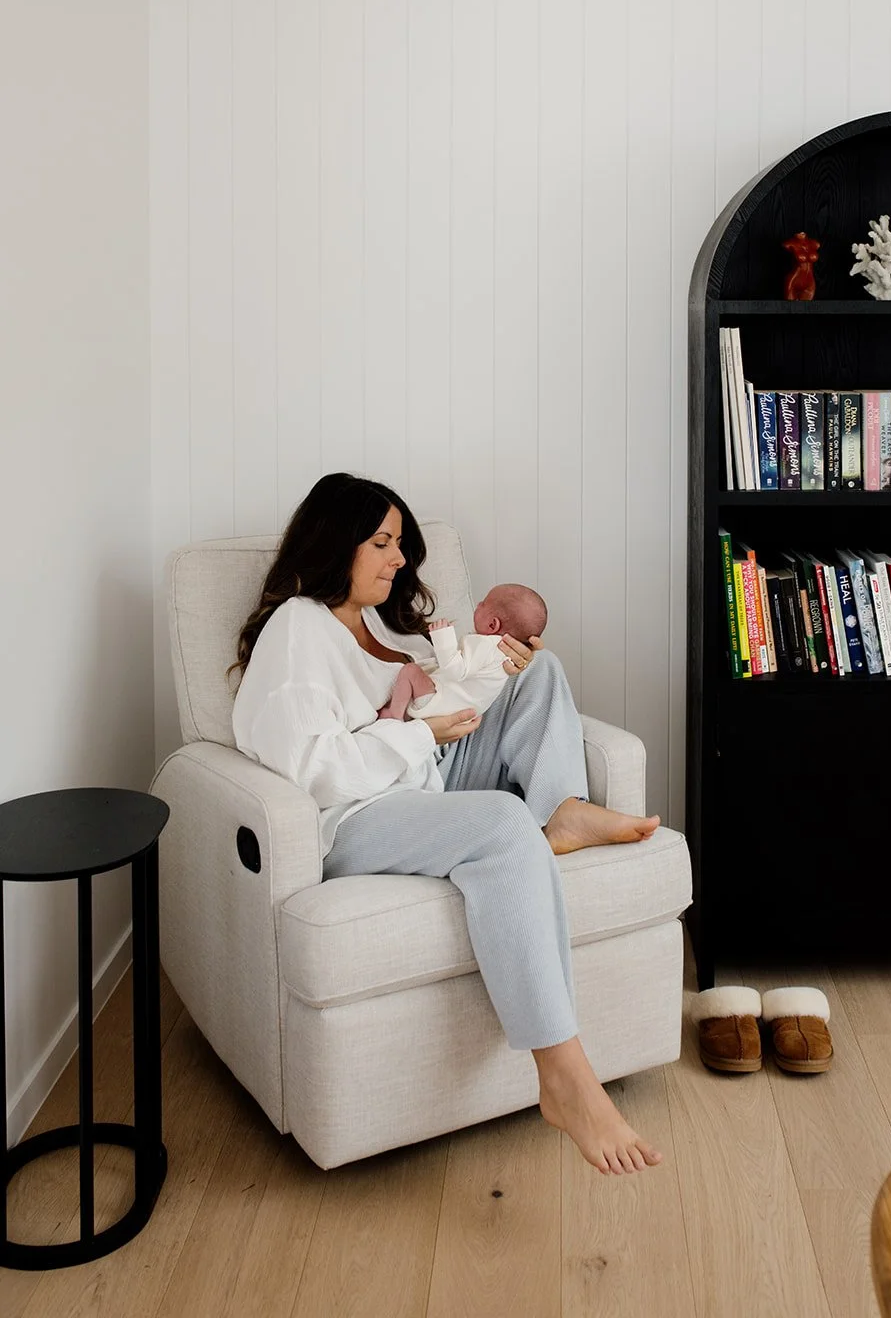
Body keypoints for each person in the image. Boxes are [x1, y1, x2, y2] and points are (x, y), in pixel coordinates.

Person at [230, 472, 663, 1176]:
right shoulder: (298, 627)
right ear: (335, 543)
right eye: (381, 543)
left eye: (399, 544)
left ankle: (562, 809)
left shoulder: (372, 622)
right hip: (358, 815)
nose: (399, 558)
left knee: (537, 672)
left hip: (420, 776)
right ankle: (564, 1075)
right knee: (500, 822)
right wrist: (422, 734)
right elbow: (313, 767)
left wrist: (490, 674)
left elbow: (417, 706)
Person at [375, 583, 548, 723]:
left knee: (410, 671)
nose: (478, 605)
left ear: (492, 625)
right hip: (454, 712)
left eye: (483, 604)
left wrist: (442, 636)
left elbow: (454, 670)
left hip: (439, 706)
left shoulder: (485, 645)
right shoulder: (504, 652)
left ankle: (394, 715)